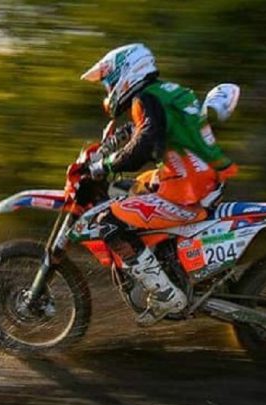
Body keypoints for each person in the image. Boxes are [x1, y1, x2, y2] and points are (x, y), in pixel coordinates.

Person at [80, 43, 239, 325]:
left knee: (108, 223)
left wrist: (103, 165)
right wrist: (115, 143)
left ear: (127, 72)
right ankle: (170, 264)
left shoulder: (145, 99)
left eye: (110, 81)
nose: (109, 88)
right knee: (131, 189)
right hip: (200, 178)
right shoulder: (166, 93)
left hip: (186, 189)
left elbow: (143, 146)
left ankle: (167, 295)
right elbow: (149, 131)